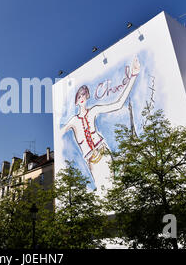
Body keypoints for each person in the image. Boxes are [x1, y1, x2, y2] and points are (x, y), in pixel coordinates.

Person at [60, 56, 141, 191]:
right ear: (75, 101)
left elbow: (118, 104)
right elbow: (59, 132)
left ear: (87, 97)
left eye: (84, 95)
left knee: (111, 188)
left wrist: (134, 75)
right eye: (79, 96)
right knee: (104, 191)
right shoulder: (73, 121)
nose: (82, 98)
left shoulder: (93, 111)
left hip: (103, 152)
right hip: (91, 160)